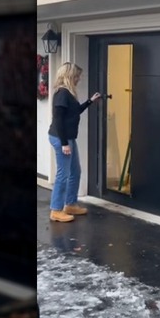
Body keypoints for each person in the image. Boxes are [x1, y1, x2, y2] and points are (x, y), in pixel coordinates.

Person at [48, 62, 102, 222]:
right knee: (62, 175)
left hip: (68, 138)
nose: (79, 79)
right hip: (61, 138)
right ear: (69, 76)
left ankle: (70, 204)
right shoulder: (62, 93)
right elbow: (58, 120)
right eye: (77, 76)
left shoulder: (69, 94)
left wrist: (90, 101)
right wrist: (64, 144)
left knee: (75, 172)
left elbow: (75, 111)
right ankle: (56, 210)